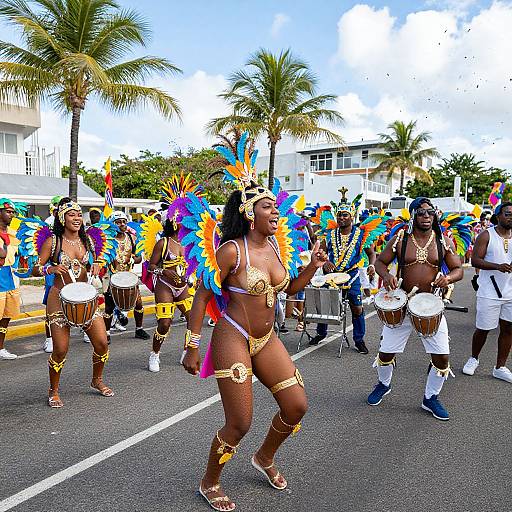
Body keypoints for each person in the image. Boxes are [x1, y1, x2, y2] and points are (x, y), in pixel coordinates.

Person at [181, 133, 326, 511]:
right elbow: (202, 294)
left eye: (275, 206)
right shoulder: (231, 250)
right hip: (234, 336)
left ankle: (263, 457)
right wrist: (192, 344)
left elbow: (287, 288)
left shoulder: (277, 246)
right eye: (267, 207)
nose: (275, 212)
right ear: (249, 213)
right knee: (239, 422)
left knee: (296, 406)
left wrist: (311, 267)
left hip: (267, 338)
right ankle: (209, 481)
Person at [368, 197, 463, 420]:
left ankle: (430, 398)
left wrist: (448, 278)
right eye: (421, 212)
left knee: (442, 359)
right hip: (401, 305)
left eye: (431, 212)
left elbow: (458, 268)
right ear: (413, 215)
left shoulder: (443, 241)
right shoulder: (400, 239)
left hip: (431, 305)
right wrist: (387, 275)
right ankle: (383, 384)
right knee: (385, 353)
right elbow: (381, 263)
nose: (427, 216)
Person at [35, 198, 114, 407]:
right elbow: (35, 268)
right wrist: (49, 269)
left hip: (86, 299)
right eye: (72, 214)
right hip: (59, 299)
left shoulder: (88, 240)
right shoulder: (54, 241)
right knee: (60, 349)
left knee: (102, 343)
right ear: (62, 217)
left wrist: (98, 265)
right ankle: (53, 390)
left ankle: (96, 380)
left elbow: (96, 265)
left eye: (79, 214)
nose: (77, 218)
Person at [309, 188, 382, 354]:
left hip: (352, 275)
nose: (342, 218)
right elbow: (322, 252)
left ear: (352, 217)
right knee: (326, 305)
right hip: (331, 276)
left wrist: (371, 265)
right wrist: (325, 261)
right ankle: (321, 334)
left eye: (345, 215)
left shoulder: (362, 234)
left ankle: (359, 340)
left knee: (357, 308)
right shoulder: (330, 233)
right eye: (340, 215)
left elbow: (372, 254)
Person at [463, 202, 512, 383]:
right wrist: (497, 267)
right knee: (483, 329)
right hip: (489, 290)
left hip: (510, 291)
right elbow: (475, 260)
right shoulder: (486, 235)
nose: (510, 217)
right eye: (507, 213)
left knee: (508, 328)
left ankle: (500, 367)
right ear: (498, 215)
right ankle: (473, 358)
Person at [147, 216, 194, 372]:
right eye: (182, 220)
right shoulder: (163, 242)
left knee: (192, 319)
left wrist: (193, 277)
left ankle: (187, 351)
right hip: (165, 286)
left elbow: (192, 265)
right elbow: (151, 266)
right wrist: (164, 271)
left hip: (183, 287)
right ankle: (155, 354)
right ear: (174, 223)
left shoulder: (188, 243)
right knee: (165, 323)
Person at [103, 211, 149, 341]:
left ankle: (139, 329)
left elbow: (139, 257)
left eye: (124, 222)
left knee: (139, 304)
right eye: (118, 222)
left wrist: (135, 259)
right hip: (112, 277)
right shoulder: (108, 240)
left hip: (129, 278)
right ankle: (106, 334)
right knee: (109, 307)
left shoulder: (131, 238)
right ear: (112, 224)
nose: (122, 224)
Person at [0, 198, 22, 360]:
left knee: (7, 314)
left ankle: (0, 347)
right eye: (8, 211)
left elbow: (19, 253)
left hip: (9, 275)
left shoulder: (13, 234)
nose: (11, 215)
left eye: (13, 212)